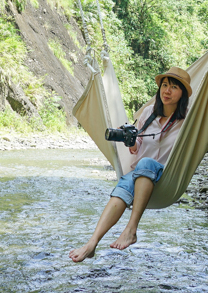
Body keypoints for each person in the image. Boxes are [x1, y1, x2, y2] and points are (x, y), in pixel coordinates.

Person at [69, 67, 192, 262]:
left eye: (174, 87)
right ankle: (92, 243)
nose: (167, 91)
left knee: (147, 163)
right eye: (165, 85)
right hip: (139, 175)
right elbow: (137, 147)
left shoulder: (189, 119)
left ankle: (131, 229)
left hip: (166, 176)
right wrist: (130, 140)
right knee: (122, 187)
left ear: (183, 93)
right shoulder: (149, 112)